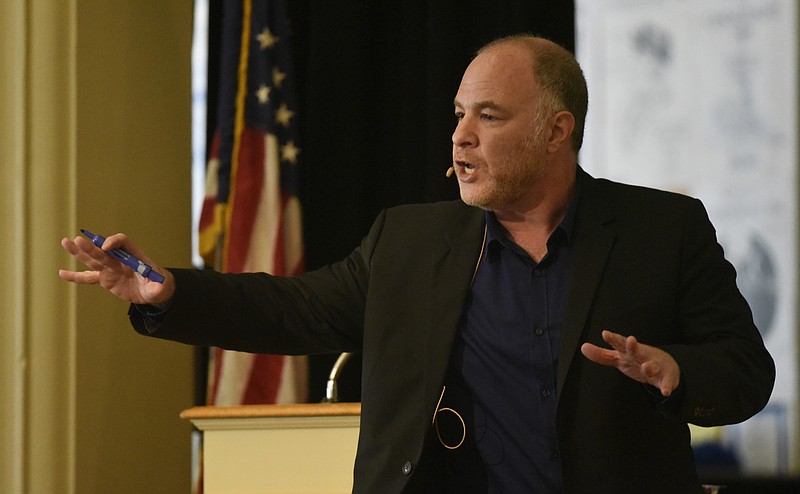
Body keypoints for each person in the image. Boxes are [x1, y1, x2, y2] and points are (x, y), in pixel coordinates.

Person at [59, 35, 774, 494]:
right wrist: (168, 292)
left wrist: (674, 372)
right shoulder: (408, 241)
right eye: (459, 113)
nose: (459, 136)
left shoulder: (663, 230)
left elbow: (746, 372)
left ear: (557, 131)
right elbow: (293, 309)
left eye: (488, 117)